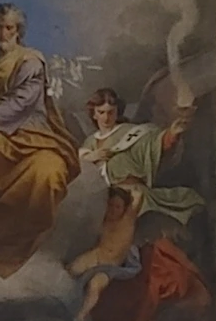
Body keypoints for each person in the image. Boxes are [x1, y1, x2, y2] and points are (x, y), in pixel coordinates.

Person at [0, 3, 81, 278]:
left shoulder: (30, 61)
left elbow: (22, 101)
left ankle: (25, 240)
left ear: (18, 30)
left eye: (9, 27)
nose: (3, 33)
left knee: (47, 170)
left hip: (34, 133)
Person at [78, 86, 202, 228]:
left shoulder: (131, 132)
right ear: (94, 114)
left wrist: (171, 135)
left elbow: (153, 144)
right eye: (101, 112)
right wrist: (90, 157)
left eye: (110, 112)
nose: (106, 118)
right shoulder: (89, 143)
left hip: (134, 195)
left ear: (117, 112)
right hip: (106, 203)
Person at [69, 184, 145, 321]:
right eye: (111, 205)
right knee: (73, 269)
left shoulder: (127, 220)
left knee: (95, 285)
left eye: (117, 207)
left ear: (124, 208)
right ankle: (67, 301)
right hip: (97, 255)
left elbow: (138, 192)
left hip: (110, 265)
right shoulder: (104, 219)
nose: (113, 210)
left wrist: (117, 186)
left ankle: (81, 316)